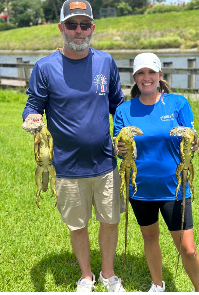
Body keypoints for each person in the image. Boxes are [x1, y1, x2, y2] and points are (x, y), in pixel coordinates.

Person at [22, 0, 126, 292]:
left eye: (84, 25)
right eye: (72, 24)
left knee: (110, 219)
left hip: (105, 162)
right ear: (61, 28)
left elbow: (118, 107)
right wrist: (30, 117)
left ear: (92, 28)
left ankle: (108, 274)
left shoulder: (105, 62)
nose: (78, 31)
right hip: (66, 165)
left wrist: (128, 134)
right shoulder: (44, 67)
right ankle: (86, 276)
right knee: (77, 224)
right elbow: (33, 105)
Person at [113, 53, 199, 292]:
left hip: (174, 187)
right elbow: (120, 148)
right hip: (140, 187)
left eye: (151, 72)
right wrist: (118, 147)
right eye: (141, 73)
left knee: (188, 248)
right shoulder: (124, 110)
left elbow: (191, 136)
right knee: (150, 238)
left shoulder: (177, 103)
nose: (146, 78)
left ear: (160, 75)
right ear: (134, 77)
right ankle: (157, 284)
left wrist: (194, 143)